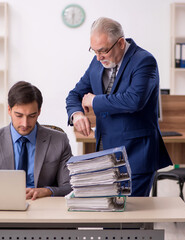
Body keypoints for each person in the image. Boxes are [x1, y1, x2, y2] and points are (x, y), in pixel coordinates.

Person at [66, 17, 172, 197]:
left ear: (121, 43)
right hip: (105, 153)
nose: (99, 57)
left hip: (136, 154)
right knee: (108, 215)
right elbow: (75, 94)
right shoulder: (97, 62)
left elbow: (134, 100)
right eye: (94, 51)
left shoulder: (144, 61)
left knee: (131, 218)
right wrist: (76, 114)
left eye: (103, 51)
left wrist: (94, 101)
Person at [0, 81, 72, 200]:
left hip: (43, 208)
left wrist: (48, 191)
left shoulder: (59, 141)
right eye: (19, 115)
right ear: (9, 110)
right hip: (2, 205)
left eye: (31, 116)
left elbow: (70, 186)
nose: (25, 123)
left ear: (39, 112)